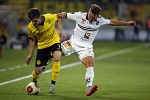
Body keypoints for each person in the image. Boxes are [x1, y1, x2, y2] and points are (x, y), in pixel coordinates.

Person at [59, 4, 136, 96]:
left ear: (97, 16)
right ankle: (36, 77)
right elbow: (60, 15)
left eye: (93, 18)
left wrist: (127, 23)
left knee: (90, 65)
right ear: (89, 11)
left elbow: (112, 22)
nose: (91, 19)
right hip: (72, 43)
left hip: (85, 48)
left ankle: (89, 89)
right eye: (90, 16)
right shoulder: (79, 16)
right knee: (54, 53)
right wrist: (60, 30)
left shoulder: (100, 20)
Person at [26, 8, 66, 94]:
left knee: (57, 58)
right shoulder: (30, 27)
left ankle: (52, 84)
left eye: (35, 20)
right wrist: (30, 54)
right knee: (38, 71)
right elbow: (31, 40)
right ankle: (34, 80)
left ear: (40, 17)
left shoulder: (49, 17)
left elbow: (58, 17)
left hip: (54, 41)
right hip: (42, 47)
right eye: (32, 21)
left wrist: (60, 31)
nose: (34, 23)